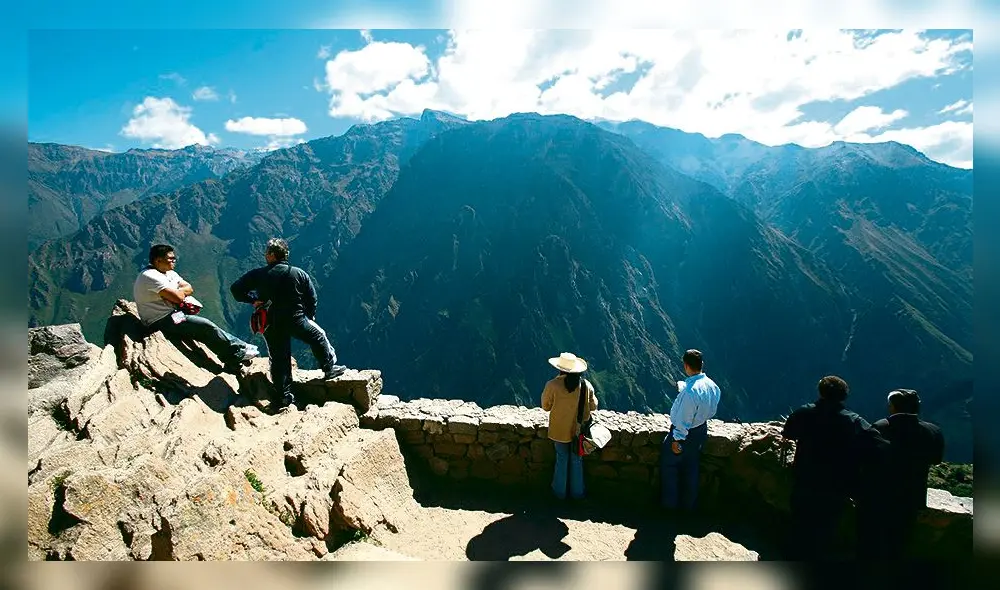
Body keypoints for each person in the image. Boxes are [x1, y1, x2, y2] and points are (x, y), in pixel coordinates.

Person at [230, 238, 346, 408]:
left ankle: (284, 396)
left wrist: (253, 300)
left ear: (271, 255)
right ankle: (329, 368)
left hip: (270, 322)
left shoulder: (258, 274)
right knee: (318, 337)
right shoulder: (298, 273)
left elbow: (236, 290)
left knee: (279, 359)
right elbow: (311, 297)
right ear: (285, 255)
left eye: (266, 252)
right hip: (296, 319)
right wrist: (309, 316)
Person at [781, 375, 886, 560]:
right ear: (844, 396)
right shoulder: (854, 421)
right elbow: (880, 447)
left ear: (820, 392)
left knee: (799, 526)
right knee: (825, 531)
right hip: (837, 486)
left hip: (805, 480)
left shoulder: (804, 413)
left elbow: (788, 433)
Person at [132, 244, 258, 373]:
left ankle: (236, 353)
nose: (174, 260)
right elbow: (178, 298)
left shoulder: (169, 273)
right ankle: (239, 351)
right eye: (170, 258)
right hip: (159, 320)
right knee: (205, 326)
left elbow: (189, 288)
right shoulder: (150, 276)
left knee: (203, 328)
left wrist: (177, 292)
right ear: (158, 260)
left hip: (172, 314)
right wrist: (178, 292)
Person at [859, 389, 945, 558]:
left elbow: (863, 456)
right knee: (899, 544)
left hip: (877, 496)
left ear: (892, 407)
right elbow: (936, 459)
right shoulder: (933, 431)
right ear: (917, 407)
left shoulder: (880, 428)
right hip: (911, 498)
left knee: (870, 544)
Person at [660, 349, 721, 513]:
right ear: (702, 364)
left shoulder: (689, 392)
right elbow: (709, 409)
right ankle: (688, 506)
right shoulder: (712, 386)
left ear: (686, 366)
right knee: (691, 468)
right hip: (700, 431)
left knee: (670, 466)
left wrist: (676, 440)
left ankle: (669, 506)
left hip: (684, 435)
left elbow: (683, 419)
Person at [541, 352, 598, 500]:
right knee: (576, 460)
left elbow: (545, 406)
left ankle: (559, 493)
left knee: (562, 458)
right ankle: (577, 493)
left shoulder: (552, 385)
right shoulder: (586, 386)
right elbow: (593, 406)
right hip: (579, 431)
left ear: (560, 369)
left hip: (559, 431)